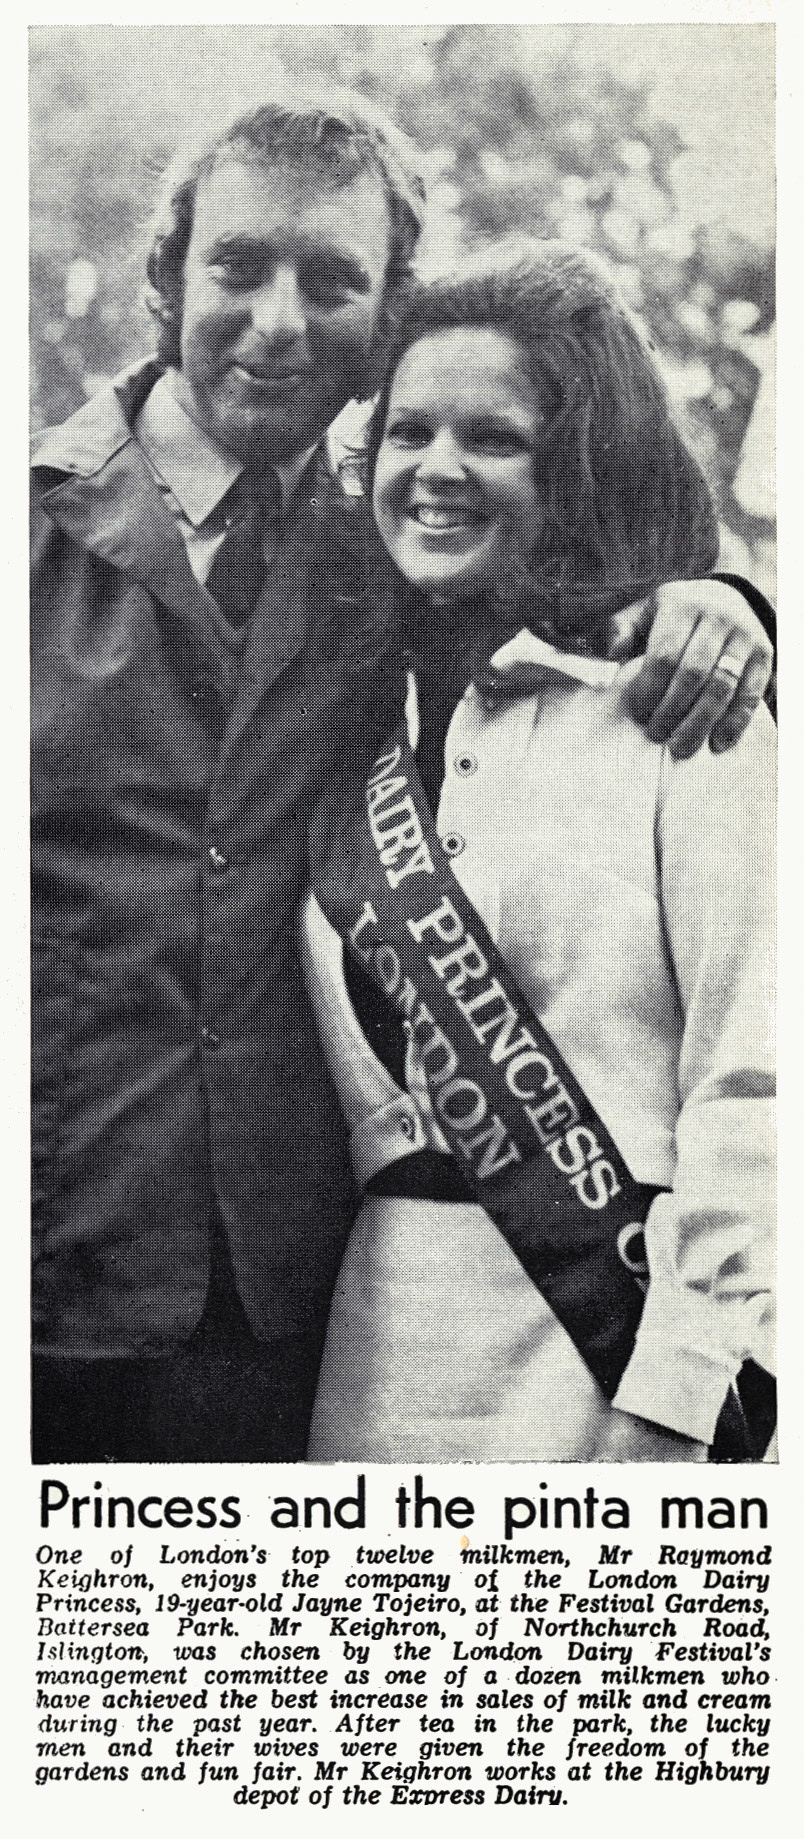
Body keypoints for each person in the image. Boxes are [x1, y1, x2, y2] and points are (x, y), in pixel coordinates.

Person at [32, 98, 773, 1464]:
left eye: (333, 282)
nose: (277, 320)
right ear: (161, 280)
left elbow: (574, 510)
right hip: (48, 1294)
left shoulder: (378, 552)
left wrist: (726, 593)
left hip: (292, 1330)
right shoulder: (29, 535)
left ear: (383, 316)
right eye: (238, 267)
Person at [301, 243, 776, 1464]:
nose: (436, 470)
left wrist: (678, 1397)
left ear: (575, 466)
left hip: (608, 1367)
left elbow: (757, 1087)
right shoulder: (346, 718)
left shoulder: (684, 713)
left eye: (492, 438)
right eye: (407, 432)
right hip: (374, 1360)